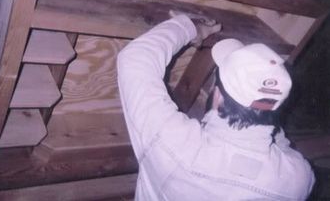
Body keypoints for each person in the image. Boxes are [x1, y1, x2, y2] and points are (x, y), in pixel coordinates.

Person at [117, 12, 315, 200]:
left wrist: (193, 28)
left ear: (218, 95)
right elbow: (281, 145)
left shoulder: (174, 144)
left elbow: (135, 58)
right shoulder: (299, 179)